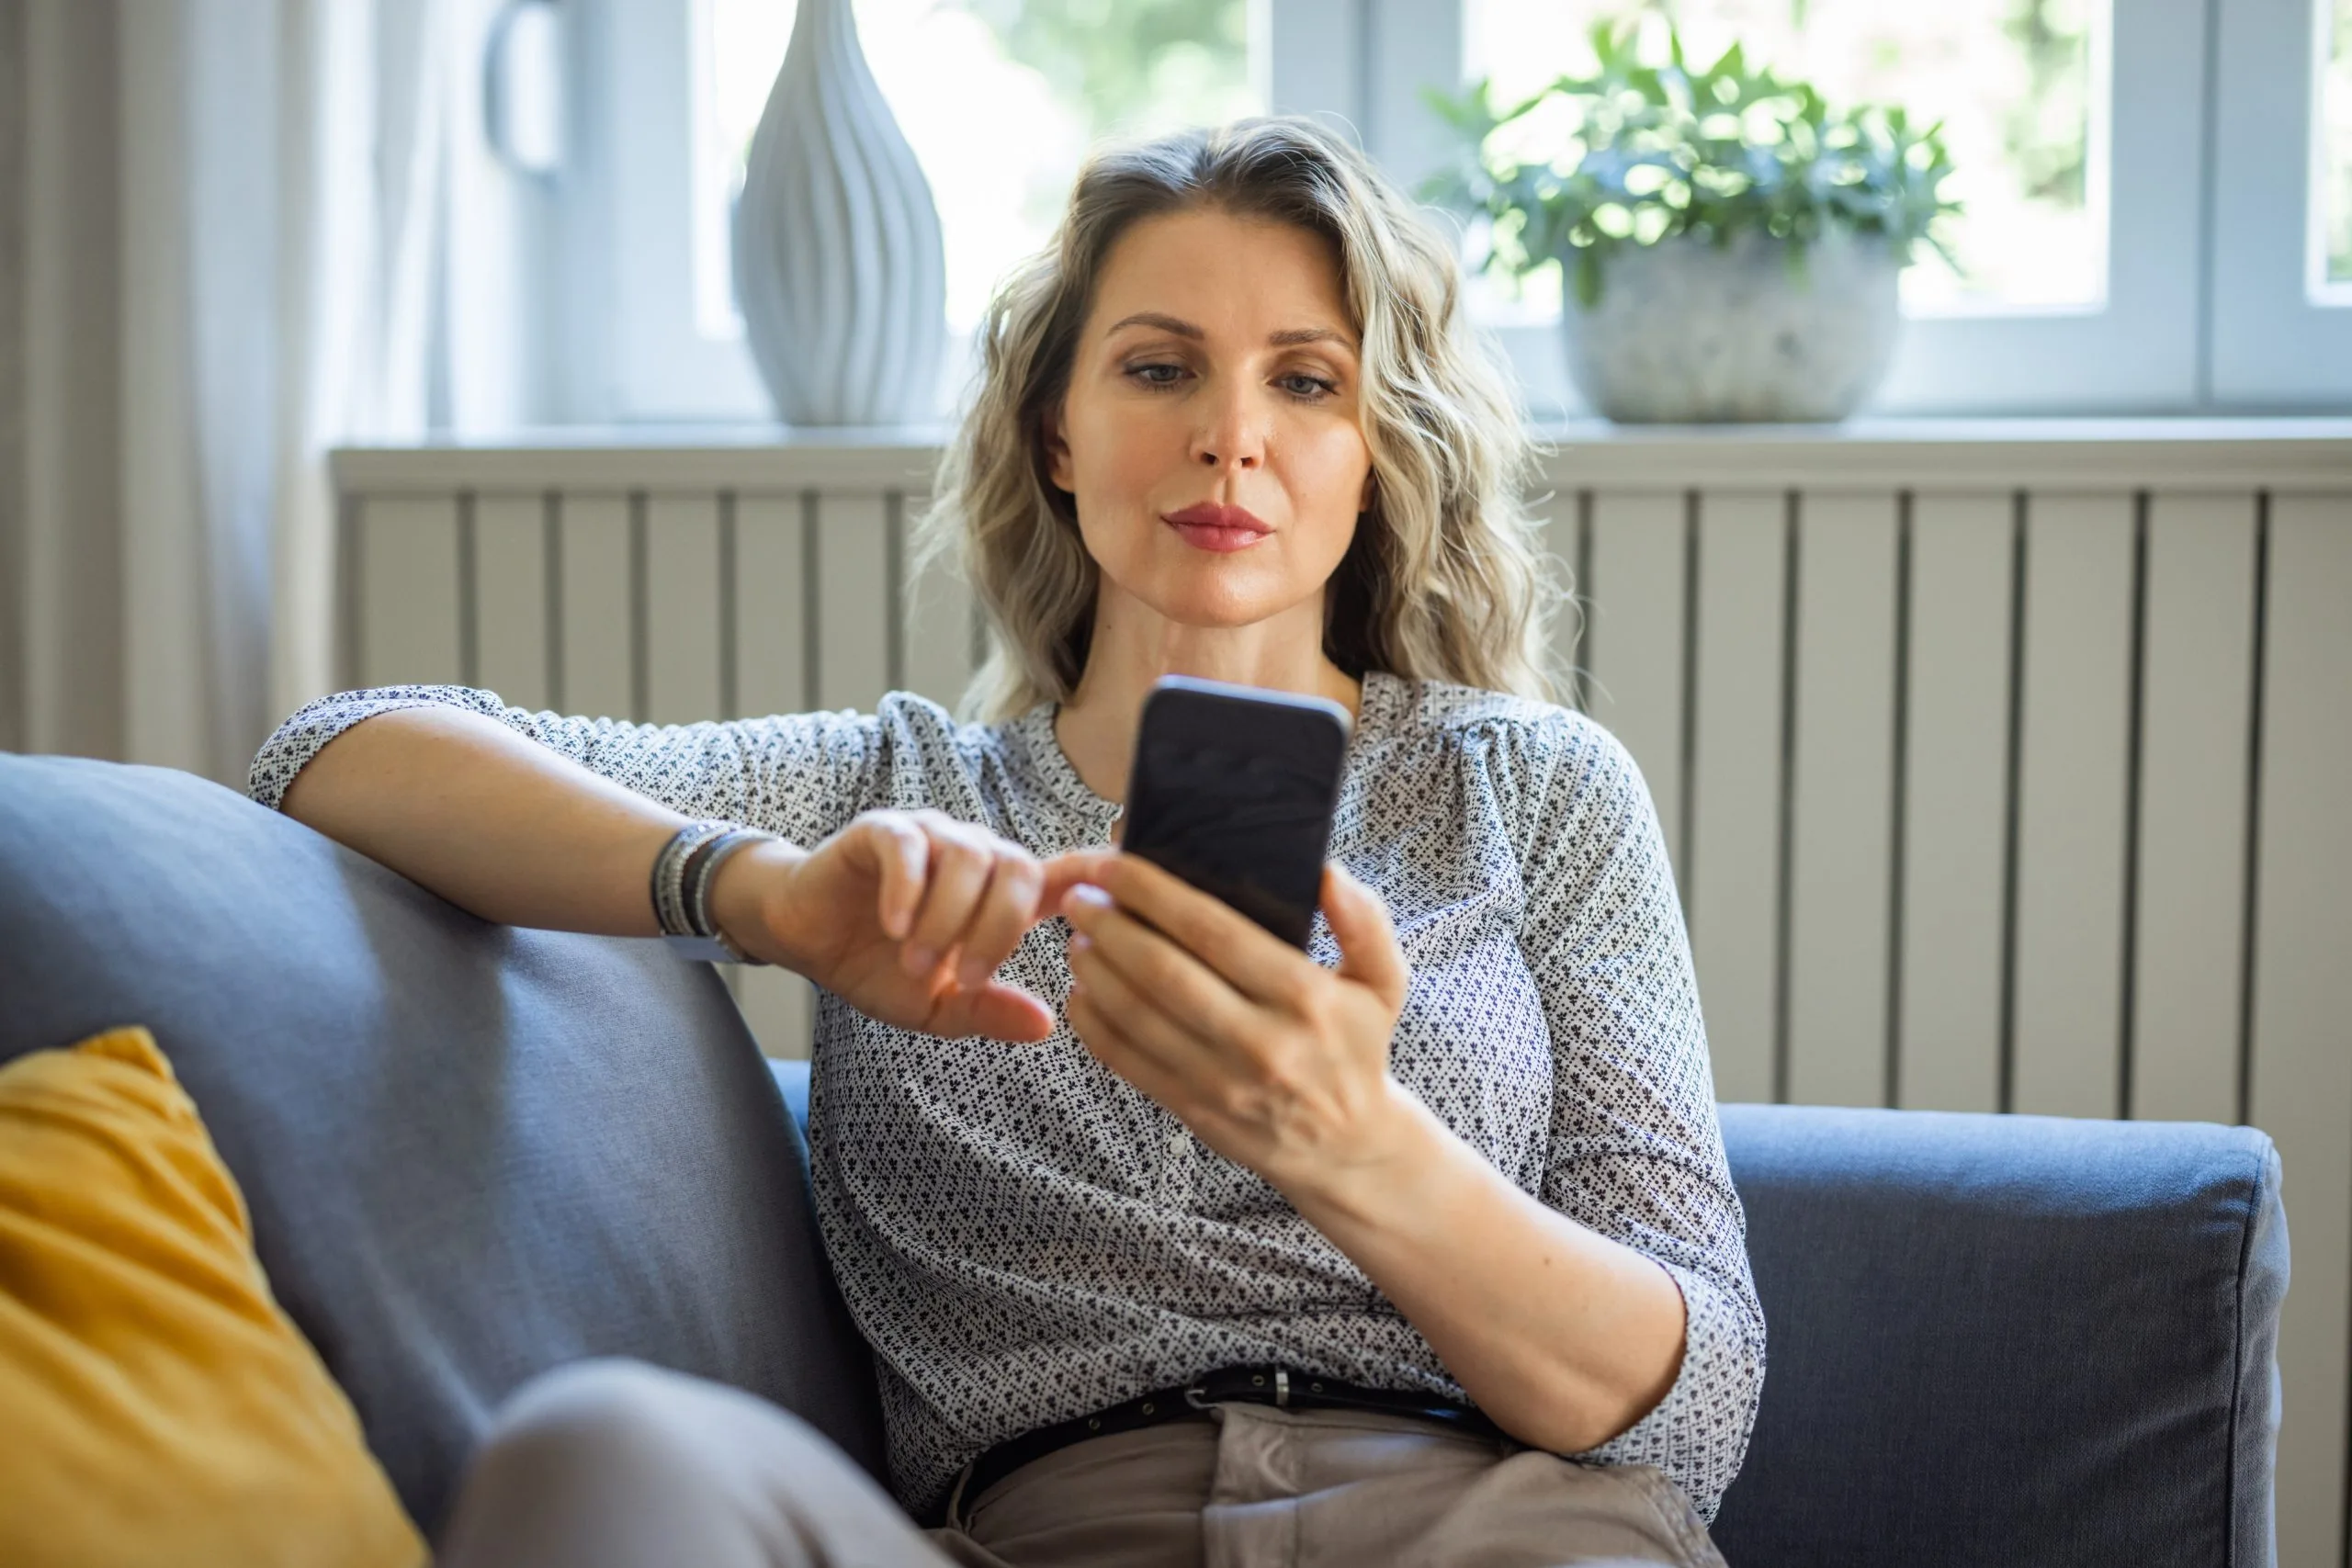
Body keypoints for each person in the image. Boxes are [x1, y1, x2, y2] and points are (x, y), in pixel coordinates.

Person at [249, 114, 1764, 1568]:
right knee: (605, 1449)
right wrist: (761, 896)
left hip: (1481, 1526)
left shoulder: (1535, 788)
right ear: (1059, 430)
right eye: (1160, 368)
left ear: (1379, 446)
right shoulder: (896, 796)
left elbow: (1693, 1416)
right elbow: (330, 753)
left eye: (1307, 382)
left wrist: (1359, 1145)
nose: (1231, 437)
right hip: (1027, 1527)